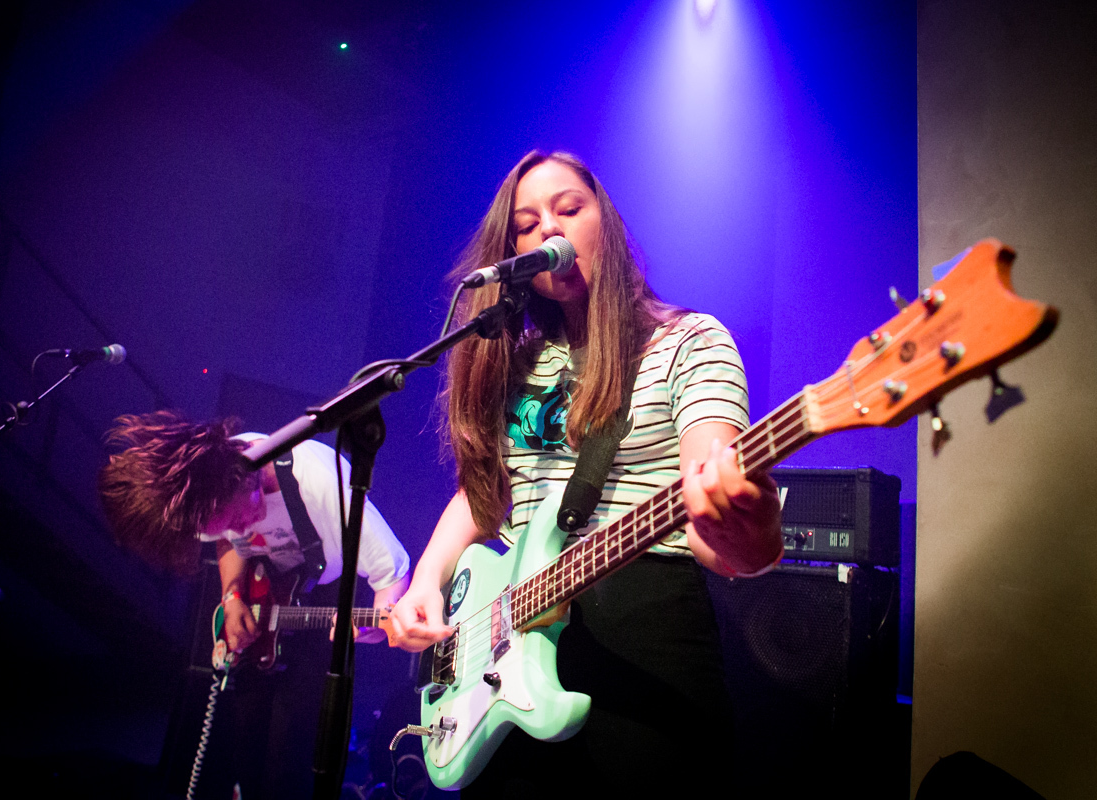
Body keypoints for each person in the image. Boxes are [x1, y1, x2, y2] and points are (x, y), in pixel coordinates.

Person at [388, 151, 783, 798]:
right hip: (508, 652)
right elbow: (483, 493)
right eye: (527, 223)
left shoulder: (690, 342)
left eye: (570, 209)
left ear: (608, 222)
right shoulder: (513, 363)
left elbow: (712, 486)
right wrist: (426, 581)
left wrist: (746, 521)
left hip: (643, 630)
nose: (550, 230)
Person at [98, 410, 410, 799]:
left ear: (245, 474)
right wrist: (231, 596)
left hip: (323, 608)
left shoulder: (317, 480)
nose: (242, 529)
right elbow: (228, 541)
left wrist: (371, 628)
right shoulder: (210, 488)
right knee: (245, 757)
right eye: (227, 524)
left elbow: (392, 570)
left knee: (289, 762)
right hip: (263, 609)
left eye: (238, 515)